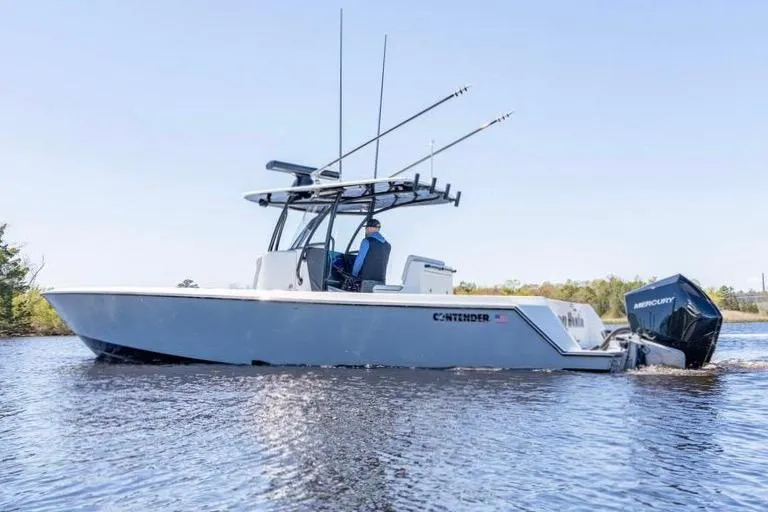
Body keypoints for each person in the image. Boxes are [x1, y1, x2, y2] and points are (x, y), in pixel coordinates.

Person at [351, 218, 391, 290]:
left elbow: (359, 261)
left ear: (370, 228)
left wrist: (353, 275)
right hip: (382, 282)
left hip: (368, 281)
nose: (366, 230)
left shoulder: (367, 241)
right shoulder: (388, 245)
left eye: (366, 228)